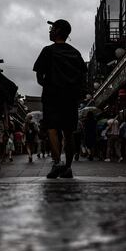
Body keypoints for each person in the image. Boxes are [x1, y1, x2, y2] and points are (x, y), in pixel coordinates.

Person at [33, 19, 87, 179]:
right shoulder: (76, 53)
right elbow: (83, 76)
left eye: (52, 28)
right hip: (70, 99)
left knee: (52, 129)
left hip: (52, 96)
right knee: (69, 132)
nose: (50, 31)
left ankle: (56, 163)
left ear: (57, 31)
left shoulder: (47, 51)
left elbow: (39, 76)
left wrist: (49, 84)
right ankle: (68, 167)